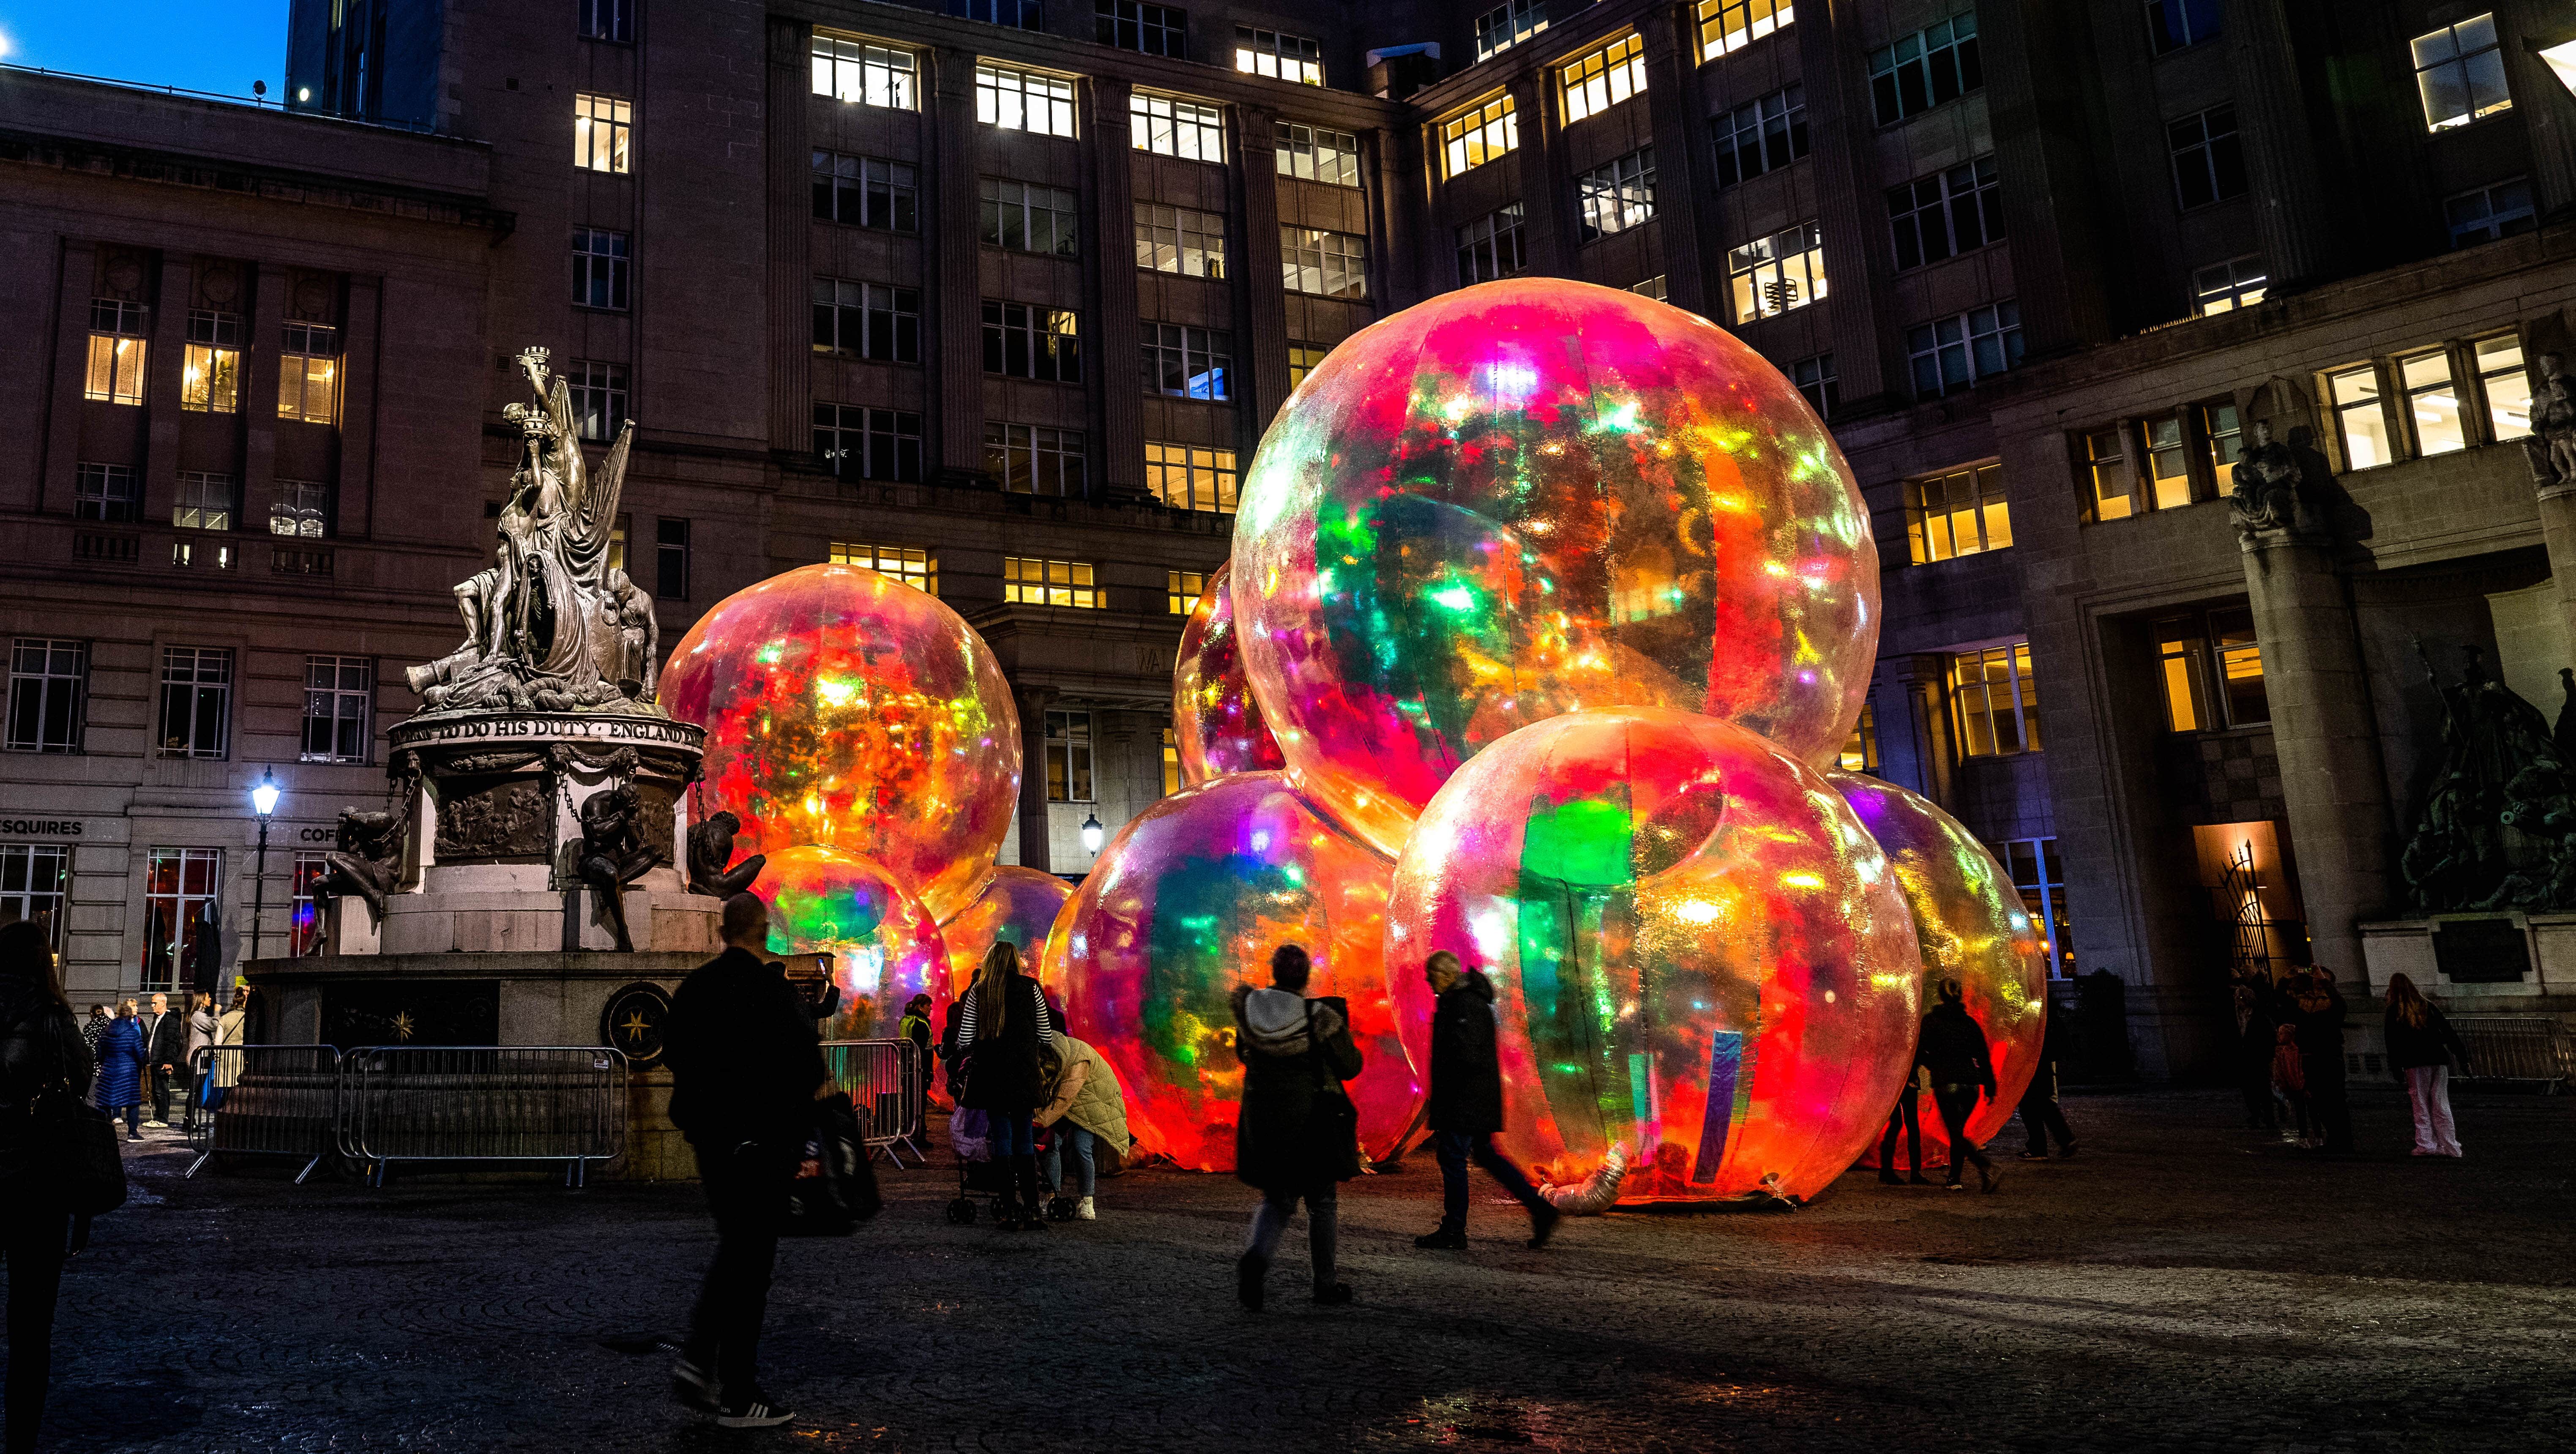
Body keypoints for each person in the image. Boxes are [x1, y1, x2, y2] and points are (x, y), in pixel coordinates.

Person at [662, 893, 829, 1430]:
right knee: (750, 1261)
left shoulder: (695, 988)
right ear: (763, 932)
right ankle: (738, 1391)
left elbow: (675, 1054)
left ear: (721, 931)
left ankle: (699, 1359)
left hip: (713, 1141)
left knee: (737, 1246)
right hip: (763, 1142)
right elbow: (808, 1066)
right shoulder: (772, 993)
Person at [1, 918, 93, 1454]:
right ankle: (20, 1442)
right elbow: (81, 1083)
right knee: (32, 1331)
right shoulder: (54, 1016)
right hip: (38, 1183)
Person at [1232, 944, 1363, 1310]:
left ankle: (1256, 1260)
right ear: (1305, 977)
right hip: (1312, 1123)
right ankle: (1325, 1285)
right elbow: (1350, 1066)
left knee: (1278, 1198)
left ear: (1274, 972)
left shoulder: (1250, 1009)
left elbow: (1243, 1054)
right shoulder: (1318, 1015)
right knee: (1322, 1202)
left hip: (1265, 1123)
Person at [1412, 950, 1560, 1250]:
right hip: (1471, 1098)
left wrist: (1445, 1096)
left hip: (1464, 1100)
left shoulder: (1464, 1004)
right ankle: (1540, 1209)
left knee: (1452, 1159)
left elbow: (1465, 1056)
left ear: (1448, 975)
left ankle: (1454, 1231)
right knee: (1485, 1155)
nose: (1427, 980)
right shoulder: (1463, 1001)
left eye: (1432, 974)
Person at [951, 940, 1057, 1232]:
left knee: (1001, 1141)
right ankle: (1034, 1210)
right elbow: (1046, 1036)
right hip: (1023, 1074)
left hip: (992, 1075)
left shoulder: (979, 991)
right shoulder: (1031, 988)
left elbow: (965, 1038)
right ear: (1015, 961)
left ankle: (1009, 1211)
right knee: (1024, 1139)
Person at [1917, 978, 2001, 1193]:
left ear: (1940, 996)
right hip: (1971, 1084)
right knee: (1958, 1131)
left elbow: (1919, 1050)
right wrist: (1990, 1086)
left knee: (1955, 1133)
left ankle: (1985, 1166)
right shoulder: (1970, 1024)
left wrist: (1932, 1065)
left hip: (1947, 1082)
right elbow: (1983, 1056)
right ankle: (1955, 1178)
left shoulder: (1931, 1021)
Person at [1036, 1032, 1131, 1221]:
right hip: (1071, 1104)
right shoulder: (1051, 1054)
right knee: (1050, 1143)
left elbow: (1065, 1097)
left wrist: (1041, 1121)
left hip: (1095, 1104)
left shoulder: (1080, 1060)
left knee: (1081, 1147)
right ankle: (1051, 1197)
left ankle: (1087, 1200)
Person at [2384, 972, 2469, 1157]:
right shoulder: (2428, 1006)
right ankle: (2450, 1145)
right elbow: (2449, 1033)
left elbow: (2392, 1043)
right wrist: (2463, 1059)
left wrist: (2396, 1068)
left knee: (2420, 1103)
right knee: (2440, 1102)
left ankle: (2426, 1144)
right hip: (2438, 1058)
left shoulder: (2394, 1011)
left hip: (2414, 1062)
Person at [2289, 969, 2352, 1153]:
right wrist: (2291, 976)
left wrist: (2326, 983)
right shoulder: (2305, 1002)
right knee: (2319, 1102)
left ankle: (2343, 1141)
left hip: (2329, 1055)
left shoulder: (2332, 1002)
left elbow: (2340, 1007)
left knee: (2335, 1100)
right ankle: (2334, 1139)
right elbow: (2285, 1003)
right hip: (2310, 1055)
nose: (2316, 981)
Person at [2014, 1005, 2077, 1161]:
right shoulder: (2046, 1012)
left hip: (2033, 1065)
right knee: (2045, 1105)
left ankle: (2039, 1148)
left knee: (2030, 1107)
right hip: (2044, 1065)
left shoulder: (2033, 1014)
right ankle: (2065, 1140)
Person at [2232, 971, 2281, 1131]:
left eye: (2240, 999)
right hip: (2245, 1057)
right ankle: (2256, 1115)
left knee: (2264, 1090)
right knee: (2249, 1089)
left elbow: (2270, 1036)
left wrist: (2268, 1056)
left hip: (2259, 1057)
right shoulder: (2237, 1017)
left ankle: (2269, 1119)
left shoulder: (2260, 1017)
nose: (2238, 1003)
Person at [94, 1003, 145, 1142]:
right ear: (130, 1017)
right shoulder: (132, 1032)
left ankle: (105, 1133)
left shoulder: (106, 1030)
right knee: (132, 1103)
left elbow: (99, 1053)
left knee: (105, 1103)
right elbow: (140, 1054)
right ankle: (132, 1133)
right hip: (128, 1073)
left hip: (108, 1071)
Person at [139, 991, 186, 1129]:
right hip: (155, 1059)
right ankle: (159, 1117)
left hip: (162, 1061)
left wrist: (168, 1061)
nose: (152, 1006)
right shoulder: (158, 1018)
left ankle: (162, 1119)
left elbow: (171, 1042)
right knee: (156, 1090)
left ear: (163, 1003)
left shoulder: (170, 1019)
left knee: (161, 1091)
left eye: (155, 1003)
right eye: (152, 1003)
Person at [1877, 1069, 1931, 1185]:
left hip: (1892, 1081)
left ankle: (1887, 1170)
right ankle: (1914, 1173)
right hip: (1907, 1081)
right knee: (1911, 1126)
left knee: (1898, 1124)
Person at [896, 992, 934, 1141]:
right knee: (920, 1102)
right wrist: (927, 1070)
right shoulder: (921, 1024)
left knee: (908, 1100)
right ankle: (919, 1135)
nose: (930, 1008)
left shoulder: (907, 1020)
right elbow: (921, 1049)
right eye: (928, 1005)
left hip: (906, 1067)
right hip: (919, 1069)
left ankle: (908, 1131)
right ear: (920, 1006)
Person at [182, 992, 219, 1133]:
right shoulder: (198, 1016)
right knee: (194, 1091)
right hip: (197, 1058)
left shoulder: (199, 1015)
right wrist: (217, 1012)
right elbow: (213, 1025)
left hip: (202, 1057)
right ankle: (189, 1121)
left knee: (196, 1091)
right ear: (202, 1000)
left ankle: (189, 1120)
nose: (210, 999)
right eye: (208, 997)